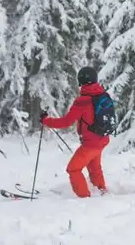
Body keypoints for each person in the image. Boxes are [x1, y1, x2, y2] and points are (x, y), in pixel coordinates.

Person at [40, 66, 111, 198]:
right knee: (94, 168)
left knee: (73, 169)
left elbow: (66, 122)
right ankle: (101, 192)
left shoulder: (83, 101)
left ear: (81, 81)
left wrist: (46, 121)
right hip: (102, 139)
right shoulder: (103, 95)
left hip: (90, 143)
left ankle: (84, 198)